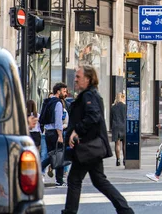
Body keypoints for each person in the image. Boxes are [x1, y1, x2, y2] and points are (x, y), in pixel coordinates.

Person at [63, 65, 133, 214]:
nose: (75, 80)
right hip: (91, 147)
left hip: (87, 146)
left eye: (78, 77)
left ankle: (70, 212)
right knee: (98, 180)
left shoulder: (89, 95)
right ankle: (125, 210)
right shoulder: (91, 94)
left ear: (88, 79)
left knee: (75, 180)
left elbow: (93, 117)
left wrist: (77, 131)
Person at [40, 82, 67, 187]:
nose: (65, 93)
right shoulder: (58, 103)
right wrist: (60, 136)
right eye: (64, 91)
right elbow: (58, 122)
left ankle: (38, 168)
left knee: (53, 154)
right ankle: (59, 180)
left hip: (48, 132)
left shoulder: (48, 102)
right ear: (58, 91)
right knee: (59, 155)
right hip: (55, 133)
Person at [110, 93, 126, 166]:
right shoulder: (125, 106)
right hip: (124, 126)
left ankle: (118, 160)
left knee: (117, 144)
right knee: (124, 144)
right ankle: (125, 159)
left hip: (116, 126)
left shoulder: (113, 107)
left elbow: (111, 118)